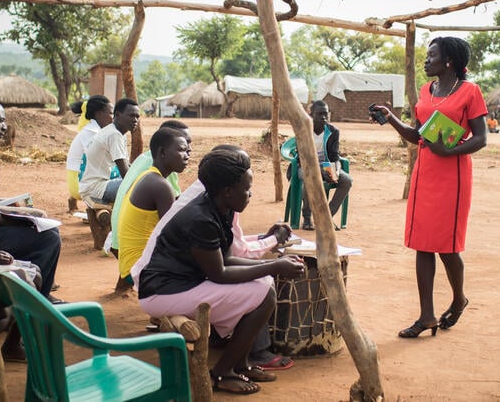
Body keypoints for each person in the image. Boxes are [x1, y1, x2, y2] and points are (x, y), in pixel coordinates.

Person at [138, 149, 304, 395]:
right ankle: (222, 373)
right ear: (227, 191)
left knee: (264, 283)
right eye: (247, 189)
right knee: (264, 291)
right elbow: (220, 273)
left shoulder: (219, 208)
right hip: (162, 292)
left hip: (183, 284)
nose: (251, 194)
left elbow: (225, 258)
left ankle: (241, 364)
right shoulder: (201, 218)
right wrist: (275, 266)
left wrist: (270, 268)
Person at [369, 36, 487, 338]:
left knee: (446, 246)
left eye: (431, 55)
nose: (426, 60)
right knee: (422, 242)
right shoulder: (427, 90)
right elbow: (418, 135)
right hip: (425, 172)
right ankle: (427, 316)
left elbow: (480, 138)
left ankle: (459, 299)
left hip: (453, 175)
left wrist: (450, 151)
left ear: (448, 61)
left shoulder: (470, 92)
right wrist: (391, 118)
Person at [0, 94, 63, 303]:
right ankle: (36, 301)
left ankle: (37, 291)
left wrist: (3, 204)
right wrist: (19, 219)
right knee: (47, 237)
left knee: (40, 223)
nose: (5, 126)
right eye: (0, 120)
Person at [115, 127, 190, 290]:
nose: (187, 156)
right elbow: (172, 236)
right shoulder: (160, 186)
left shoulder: (150, 176)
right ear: (163, 152)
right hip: (138, 270)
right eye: (182, 150)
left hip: (130, 265)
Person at [296, 100, 352, 231]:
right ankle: (307, 218)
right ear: (311, 114)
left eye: (326, 114)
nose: (323, 117)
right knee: (311, 177)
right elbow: (301, 158)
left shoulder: (333, 131)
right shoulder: (303, 130)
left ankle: (326, 217)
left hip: (327, 167)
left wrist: (337, 170)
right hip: (305, 167)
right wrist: (319, 170)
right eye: (319, 114)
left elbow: (335, 156)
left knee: (347, 181)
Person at [78, 97, 140, 204]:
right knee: (143, 187)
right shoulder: (114, 135)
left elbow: (127, 166)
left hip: (95, 185)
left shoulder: (116, 132)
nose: (135, 120)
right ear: (117, 115)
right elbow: (126, 174)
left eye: (137, 116)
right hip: (96, 188)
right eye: (131, 115)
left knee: (142, 181)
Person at [66, 96, 114, 211]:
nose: (113, 118)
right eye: (111, 113)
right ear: (99, 114)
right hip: (80, 183)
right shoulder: (91, 133)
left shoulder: (93, 130)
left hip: (80, 178)